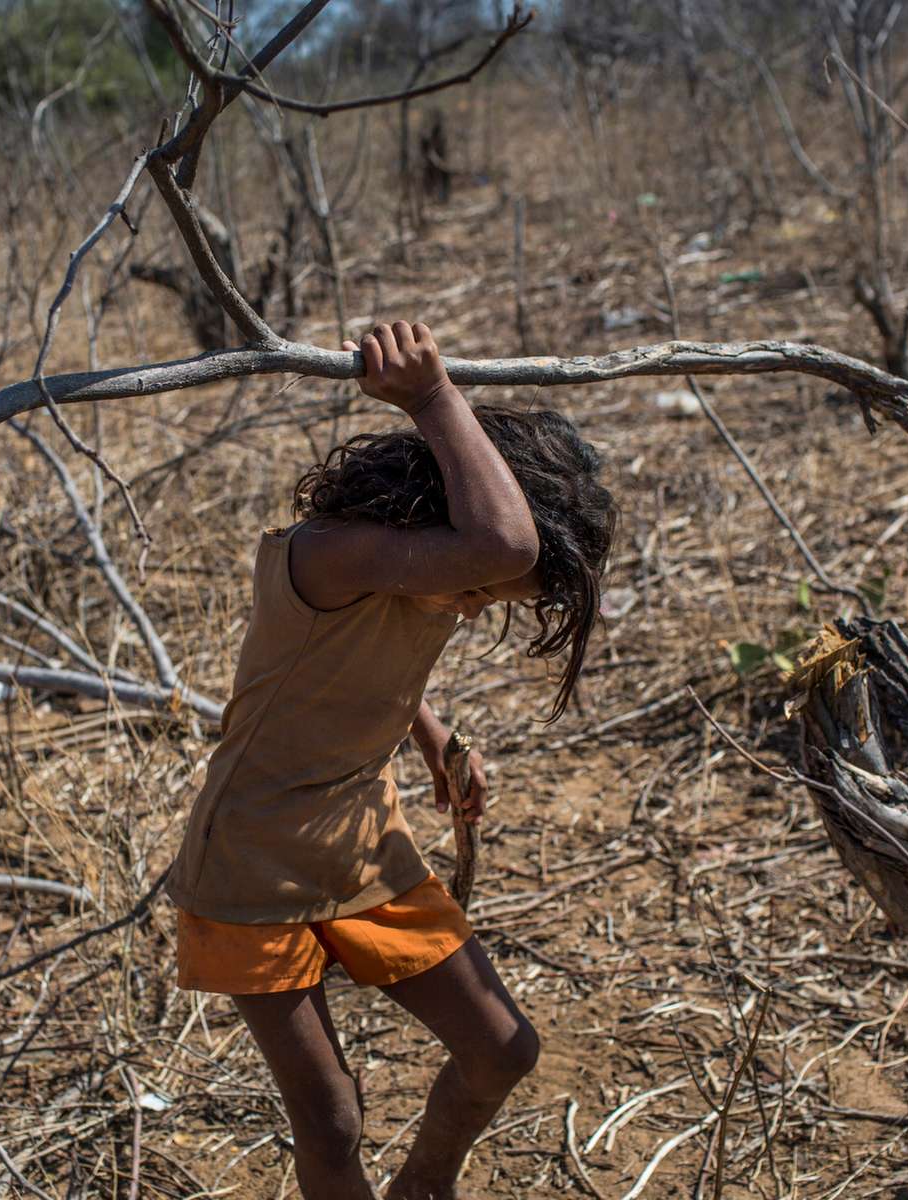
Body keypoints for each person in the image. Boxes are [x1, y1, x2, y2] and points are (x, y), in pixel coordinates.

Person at [167, 319, 615, 1199]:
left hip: (366, 842)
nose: (480, 607)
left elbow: (376, 661)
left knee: (502, 1048)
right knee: (332, 1118)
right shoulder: (329, 554)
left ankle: (423, 1186)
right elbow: (504, 547)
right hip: (252, 863)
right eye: (481, 591)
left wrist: (431, 731)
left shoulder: (424, 574)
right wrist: (432, 397)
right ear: (438, 509)